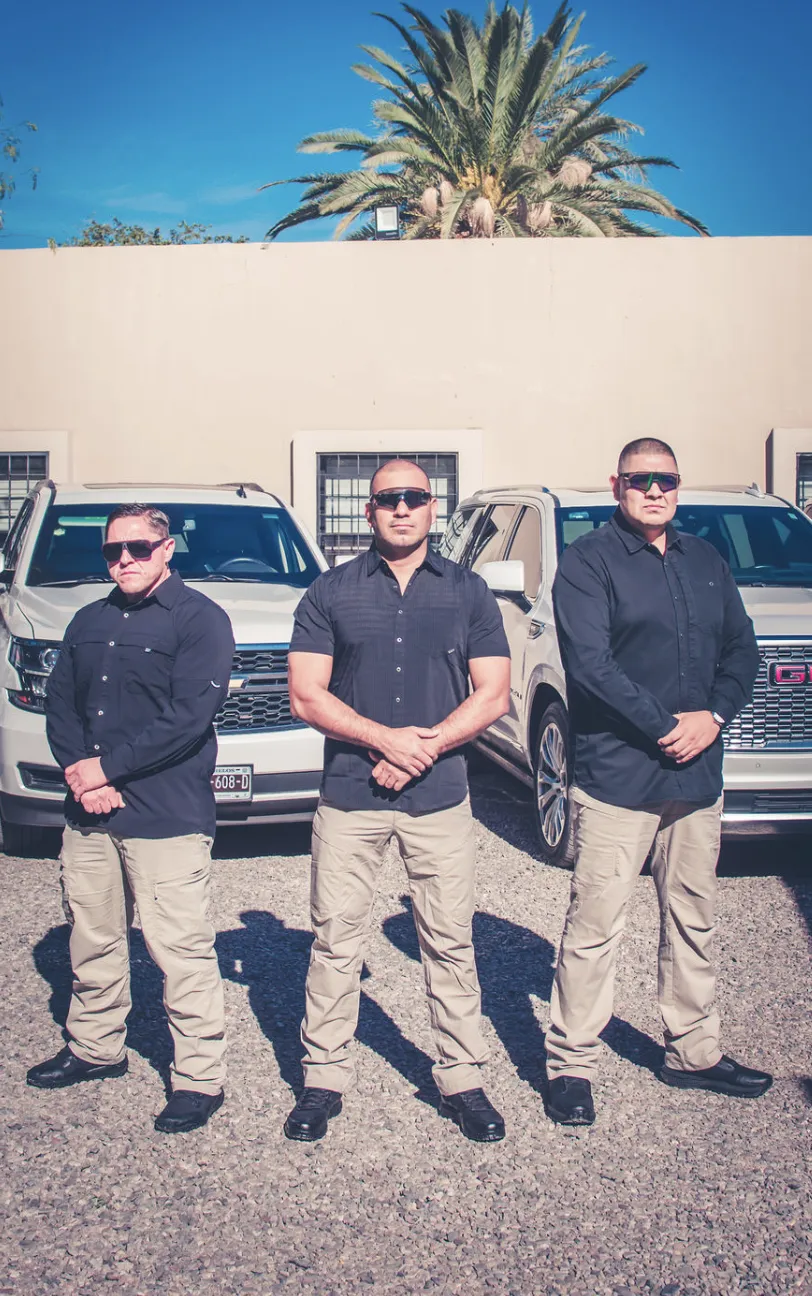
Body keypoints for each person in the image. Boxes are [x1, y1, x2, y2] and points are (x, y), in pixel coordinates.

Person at [545, 438, 772, 1126]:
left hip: (698, 777)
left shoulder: (706, 560)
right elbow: (590, 667)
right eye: (641, 479)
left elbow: (743, 649)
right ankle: (570, 1063)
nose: (653, 491)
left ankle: (692, 1051)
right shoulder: (587, 564)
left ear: (679, 486)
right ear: (616, 484)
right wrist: (668, 725)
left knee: (693, 919)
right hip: (620, 777)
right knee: (595, 926)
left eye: (665, 480)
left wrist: (715, 717)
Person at [284, 459, 511, 1143]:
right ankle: (323, 1080)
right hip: (351, 798)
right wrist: (385, 740)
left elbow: (493, 694)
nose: (402, 509)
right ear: (369, 510)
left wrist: (426, 746)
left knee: (448, 942)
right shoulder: (330, 592)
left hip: (440, 799)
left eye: (414, 498)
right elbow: (306, 695)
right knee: (335, 941)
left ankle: (462, 1077)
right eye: (389, 499)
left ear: (433, 507)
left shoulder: (469, 593)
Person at [27, 504, 235, 1135]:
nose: (123, 560)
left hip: (166, 811)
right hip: (89, 810)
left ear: (166, 549)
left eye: (138, 549)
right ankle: (96, 1047)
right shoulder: (87, 621)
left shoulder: (201, 620)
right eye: (113, 550)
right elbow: (60, 704)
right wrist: (80, 773)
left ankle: (199, 1077)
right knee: (93, 937)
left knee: (179, 947)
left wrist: (106, 770)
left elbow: (187, 718)